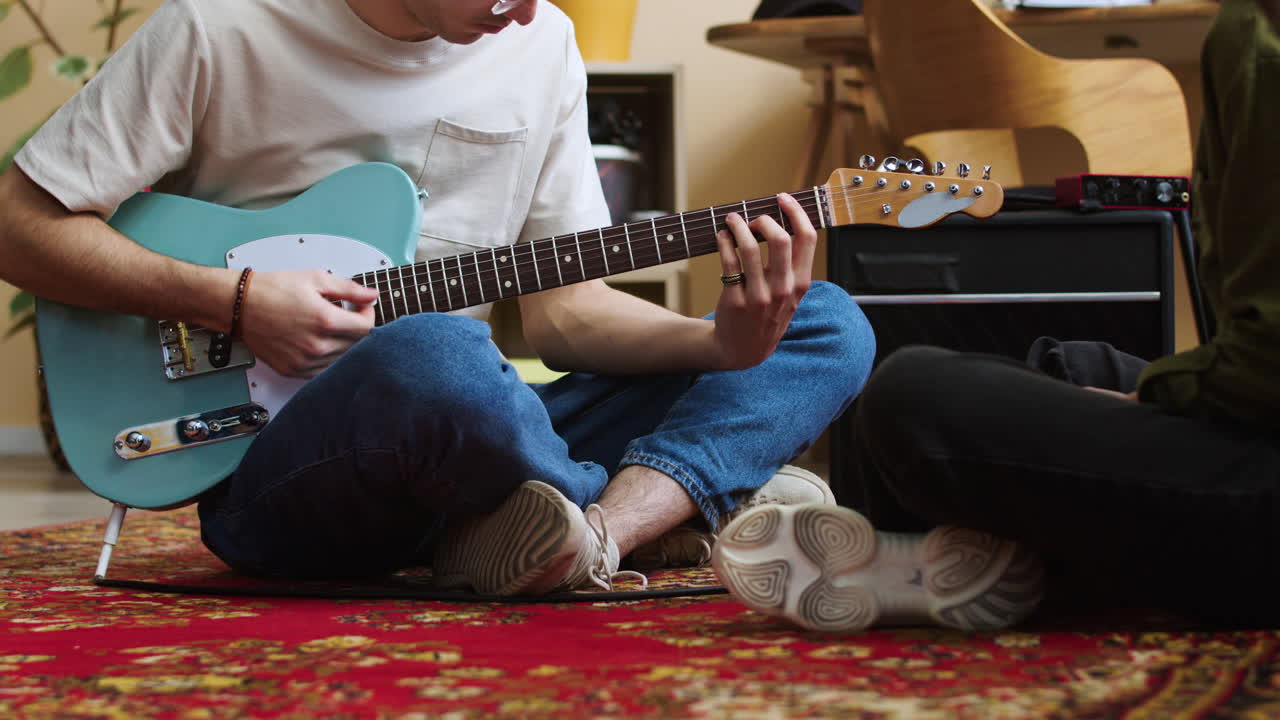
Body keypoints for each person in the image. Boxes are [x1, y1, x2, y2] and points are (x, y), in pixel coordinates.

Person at [0, 0, 875, 594]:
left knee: (825, 322)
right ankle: (679, 502)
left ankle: (590, 534)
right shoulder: (219, 27)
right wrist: (233, 299)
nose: (528, 10)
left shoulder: (542, 44)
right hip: (287, 470)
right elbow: (17, 223)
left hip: (482, 431)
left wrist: (722, 344)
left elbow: (566, 316)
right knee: (435, 352)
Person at [713, 0, 1280, 632]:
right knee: (1071, 364)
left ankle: (939, 563)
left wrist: (1147, 400)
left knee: (911, 395)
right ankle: (977, 565)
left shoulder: (1260, 38)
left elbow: (1265, 360)